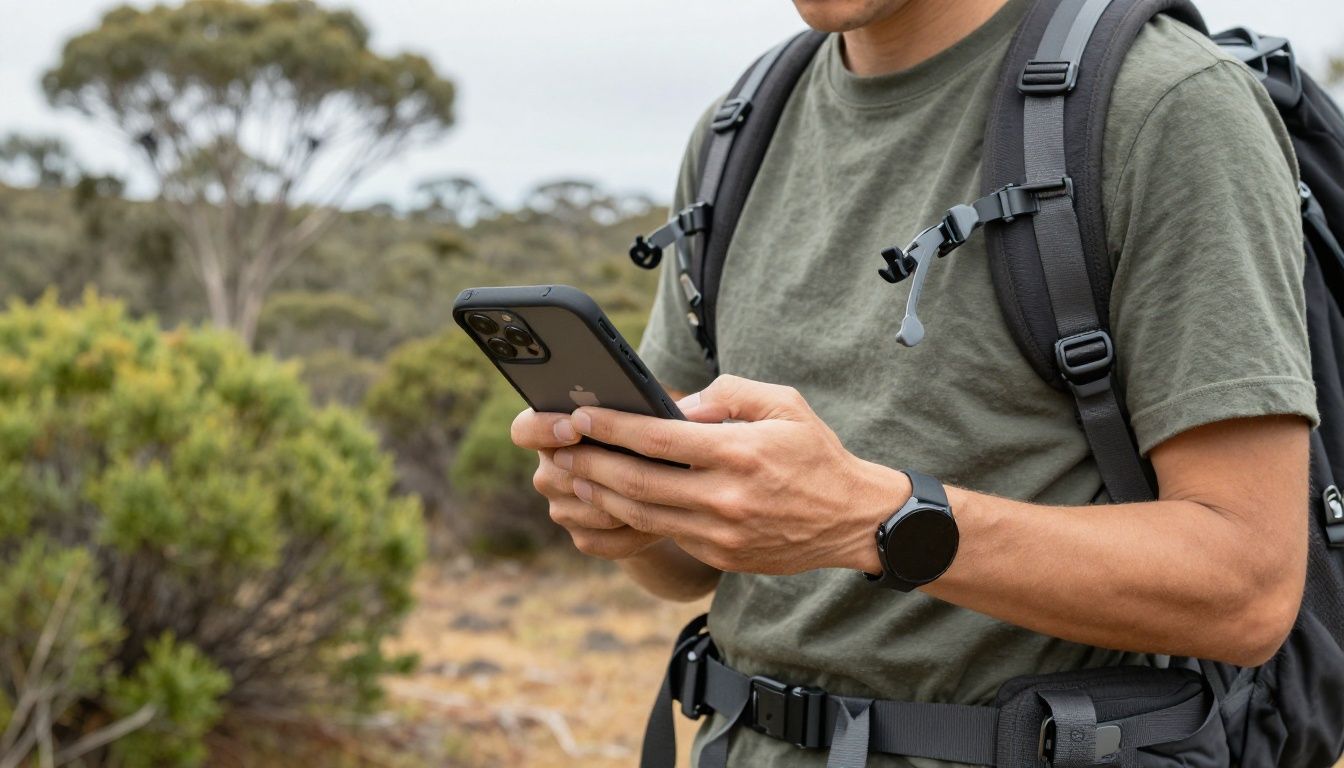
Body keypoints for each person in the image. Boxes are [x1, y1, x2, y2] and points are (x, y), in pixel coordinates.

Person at [510, 0, 1318, 764]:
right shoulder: (741, 126)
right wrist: (631, 506)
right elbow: (688, 569)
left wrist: (874, 520)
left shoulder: (1165, 105)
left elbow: (1247, 589)